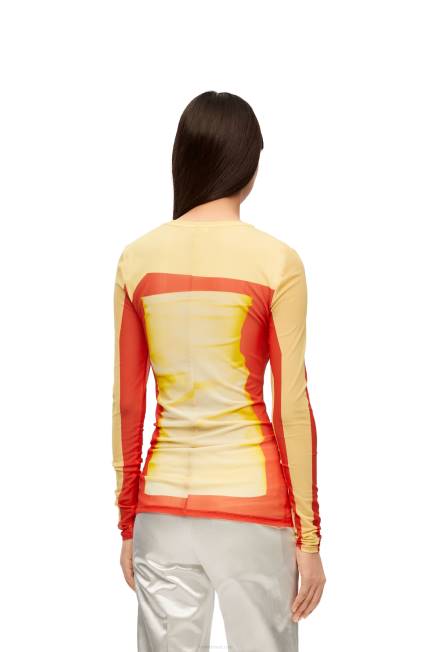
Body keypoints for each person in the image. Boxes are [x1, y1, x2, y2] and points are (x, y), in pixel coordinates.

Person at [111, 90, 326, 652]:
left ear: (183, 160)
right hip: (252, 508)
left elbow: (128, 403)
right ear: (250, 165)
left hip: (162, 507)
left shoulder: (136, 259)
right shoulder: (277, 261)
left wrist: (129, 522)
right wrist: (309, 538)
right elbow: (292, 405)